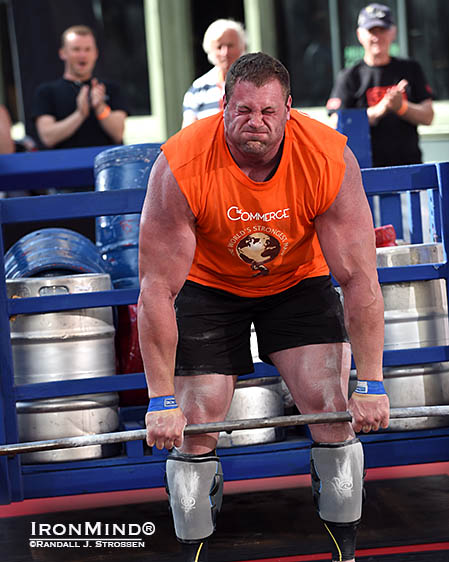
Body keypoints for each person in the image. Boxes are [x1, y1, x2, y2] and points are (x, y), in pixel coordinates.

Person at [138, 52, 389, 562]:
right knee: (196, 422)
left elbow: (359, 280)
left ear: (289, 109)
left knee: (331, 410)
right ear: (224, 105)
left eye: (269, 112)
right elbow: (156, 292)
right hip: (209, 286)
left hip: (298, 280)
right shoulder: (181, 165)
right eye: (244, 110)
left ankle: (346, 553)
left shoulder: (326, 157)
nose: (256, 122)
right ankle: (194, 552)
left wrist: (373, 383)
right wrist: (160, 399)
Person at [326, 3, 434, 167]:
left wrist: (401, 107)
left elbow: (428, 116)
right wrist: (379, 110)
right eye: (371, 31)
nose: (377, 37)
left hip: (410, 170)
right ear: (359, 35)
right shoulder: (349, 76)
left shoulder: (410, 69)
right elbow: (336, 122)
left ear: (393, 32)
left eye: (382, 30)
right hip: (365, 172)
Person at [32, 25, 127, 150]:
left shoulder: (110, 88)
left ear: (95, 54)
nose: (83, 55)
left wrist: (100, 108)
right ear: (63, 53)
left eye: (87, 49)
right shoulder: (47, 92)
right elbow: (48, 137)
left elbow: (118, 134)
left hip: (104, 165)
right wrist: (80, 114)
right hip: (64, 165)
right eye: (76, 49)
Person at [181, 18, 246, 128]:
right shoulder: (198, 89)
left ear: (242, 47)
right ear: (209, 51)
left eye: (230, 45)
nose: (225, 52)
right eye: (219, 47)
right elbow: (187, 134)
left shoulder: (258, 82)